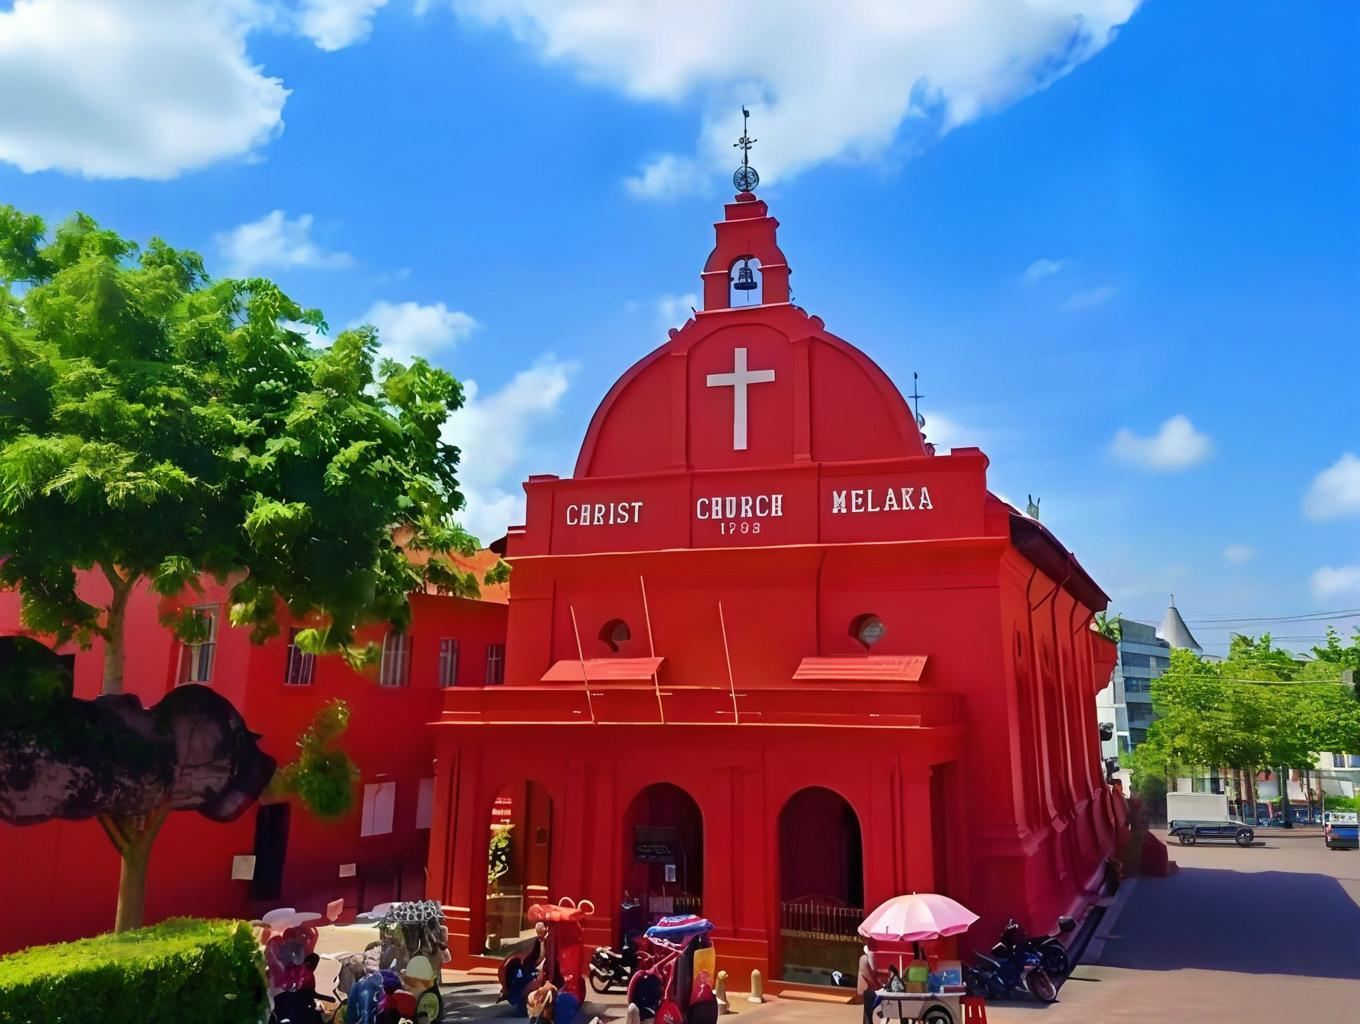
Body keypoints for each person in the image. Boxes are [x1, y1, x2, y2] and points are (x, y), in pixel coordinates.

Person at [857, 945, 879, 1024]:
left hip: (870, 991)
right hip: (873, 990)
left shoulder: (864, 959)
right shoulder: (864, 959)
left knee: (868, 1016)